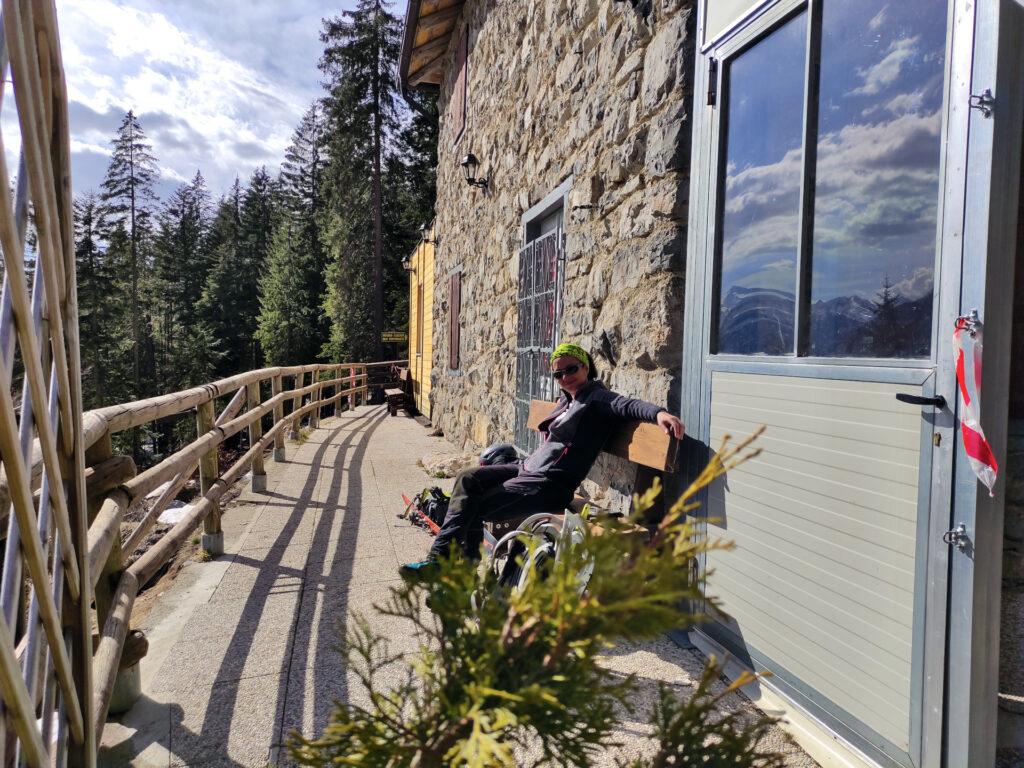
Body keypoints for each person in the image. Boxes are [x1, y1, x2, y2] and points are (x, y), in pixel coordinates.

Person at [400, 342, 685, 579]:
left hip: (549, 484)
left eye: (571, 369)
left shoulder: (598, 399)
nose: (565, 378)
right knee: (468, 478)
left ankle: (451, 567)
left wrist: (660, 413)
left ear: (586, 366)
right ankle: (451, 563)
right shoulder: (567, 400)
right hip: (528, 469)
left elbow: (628, 405)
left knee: (474, 505)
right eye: (558, 374)